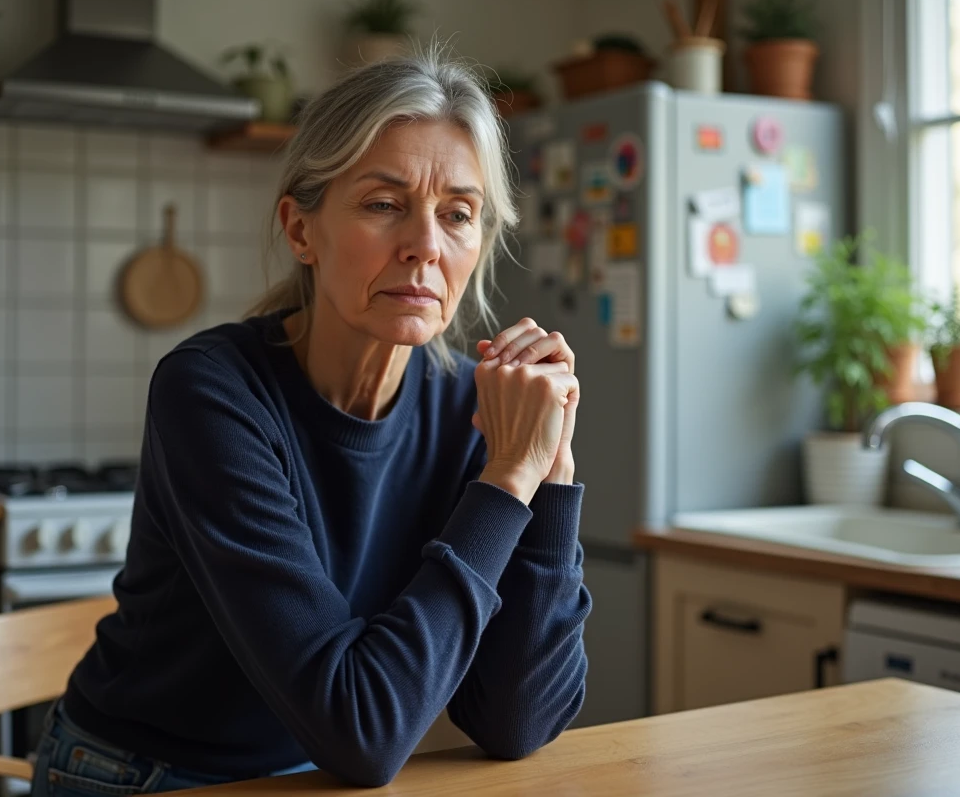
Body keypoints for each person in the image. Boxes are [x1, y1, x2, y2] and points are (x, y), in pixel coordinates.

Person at [30, 46, 590, 796]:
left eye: (458, 214)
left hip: (312, 777)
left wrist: (548, 479)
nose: (425, 245)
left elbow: (515, 722)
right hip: (142, 776)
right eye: (384, 204)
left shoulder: (471, 408)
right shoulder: (213, 393)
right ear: (301, 231)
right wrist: (508, 476)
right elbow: (364, 734)